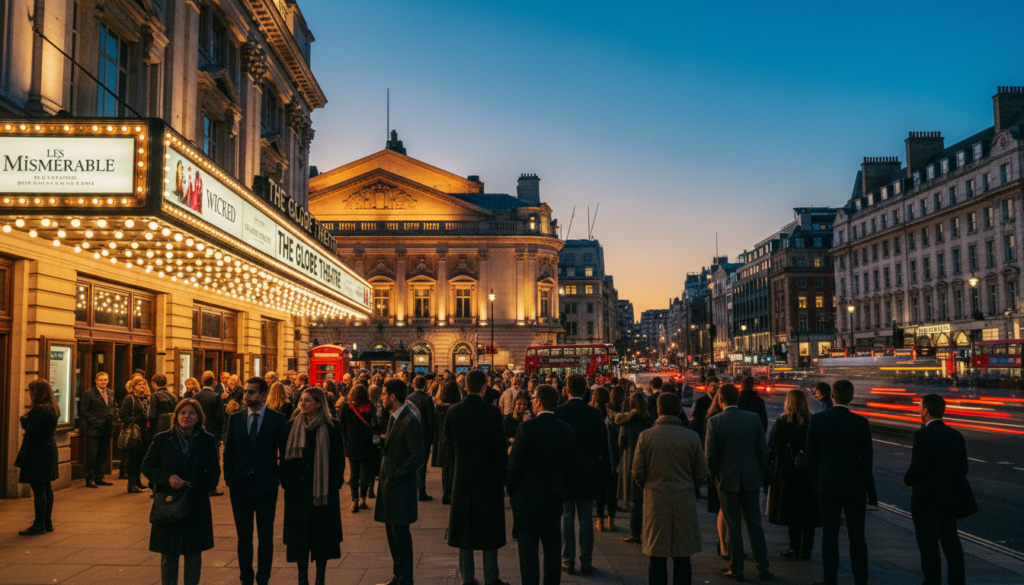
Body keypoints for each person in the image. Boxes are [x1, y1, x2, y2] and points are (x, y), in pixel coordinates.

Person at [142, 399, 221, 585]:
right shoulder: (162, 438)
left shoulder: (207, 439)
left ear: (198, 417)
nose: (187, 416)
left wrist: (204, 488)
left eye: (192, 413)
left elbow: (215, 470)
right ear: (176, 415)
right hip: (170, 503)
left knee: (193, 553)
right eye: (183, 412)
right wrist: (167, 478)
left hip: (196, 502)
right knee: (169, 554)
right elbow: (146, 466)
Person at [806, 379, 877, 585]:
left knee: (829, 535)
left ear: (833, 396)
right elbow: (867, 460)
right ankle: (860, 579)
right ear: (852, 397)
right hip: (854, 485)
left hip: (826, 483)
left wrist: (818, 476)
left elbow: (811, 455)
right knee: (857, 536)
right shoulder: (860, 422)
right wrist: (868, 489)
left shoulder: (818, 420)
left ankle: (830, 579)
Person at [633, 393, 708, 585]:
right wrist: (690, 486)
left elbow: (637, 472)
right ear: (679, 411)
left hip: (655, 500)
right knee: (683, 557)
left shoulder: (646, 436)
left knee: (656, 556)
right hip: (683, 500)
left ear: (657, 410)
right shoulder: (692, 437)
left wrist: (648, 486)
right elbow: (701, 472)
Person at [443, 370, 510, 585]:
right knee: (489, 530)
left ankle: (468, 579)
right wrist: (503, 479)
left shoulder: (453, 412)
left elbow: (448, 446)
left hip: (462, 479)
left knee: (465, 531)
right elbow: (500, 450)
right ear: (484, 387)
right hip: (488, 481)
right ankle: (492, 578)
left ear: (465, 386)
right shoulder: (492, 413)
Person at [507, 385, 576, 585]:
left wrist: (512, 490)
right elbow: (569, 469)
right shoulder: (567, 430)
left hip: (527, 500)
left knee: (528, 552)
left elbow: (515, 465)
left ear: (538, 402)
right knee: (552, 550)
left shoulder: (526, 428)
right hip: (553, 499)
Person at [223, 377, 288, 585]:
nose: (247, 396)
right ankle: (246, 578)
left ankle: (263, 578)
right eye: (246, 392)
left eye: (251, 392)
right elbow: (229, 450)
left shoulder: (276, 419)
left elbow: (285, 452)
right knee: (244, 537)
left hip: (265, 484)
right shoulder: (236, 418)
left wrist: (279, 477)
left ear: (263, 395)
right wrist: (229, 477)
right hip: (240, 484)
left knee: (265, 536)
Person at [705, 383, 773, 582]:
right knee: (755, 524)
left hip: (727, 479)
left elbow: (710, 456)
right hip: (751, 478)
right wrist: (759, 474)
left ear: (720, 399)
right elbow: (763, 451)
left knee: (733, 524)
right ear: (738, 399)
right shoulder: (753, 419)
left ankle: (737, 568)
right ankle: (763, 567)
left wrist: (715, 477)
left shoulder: (715, 422)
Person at [904, 394, 972, 585]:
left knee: (928, 543)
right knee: (951, 542)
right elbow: (963, 468)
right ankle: (957, 581)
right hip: (949, 496)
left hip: (925, 498)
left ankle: (932, 580)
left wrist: (908, 480)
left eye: (920, 407)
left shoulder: (923, 435)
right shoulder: (955, 434)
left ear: (925, 410)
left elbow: (919, 465)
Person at [281, 387, 345, 585]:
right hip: (297, 493)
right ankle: (302, 579)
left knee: (321, 540)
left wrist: (333, 485)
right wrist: (286, 483)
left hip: (322, 492)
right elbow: (285, 459)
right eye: (301, 400)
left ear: (319, 403)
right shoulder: (292, 425)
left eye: (307, 400)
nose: (302, 404)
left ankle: (320, 579)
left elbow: (338, 460)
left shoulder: (332, 426)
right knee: (299, 541)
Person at [554, 373, 608, 575]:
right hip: (587, 472)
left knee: (567, 517)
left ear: (566, 389)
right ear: (585, 390)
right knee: (586, 518)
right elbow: (601, 445)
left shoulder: (559, 412)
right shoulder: (594, 414)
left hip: (566, 473)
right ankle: (586, 561)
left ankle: (567, 560)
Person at [375, 379, 425, 585]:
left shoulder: (409, 420)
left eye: (384, 394)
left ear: (393, 397)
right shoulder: (394, 417)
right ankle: (398, 577)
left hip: (400, 488)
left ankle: (405, 579)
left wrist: (396, 475)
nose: (381, 397)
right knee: (393, 538)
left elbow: (417, 456)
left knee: (401, 538)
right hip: (390, 487)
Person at [766, 389, 818, 560]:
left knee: (792, 511)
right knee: (808, 512)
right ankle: (807, 549)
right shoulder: (814, 422)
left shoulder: (782, 422)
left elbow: (773, 447)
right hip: (810, 473)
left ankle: (794, 547)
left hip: (788, 473)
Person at [16, 379, 60, 535]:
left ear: (37, 392)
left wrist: (24, 420)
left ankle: (39, 523)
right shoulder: (52, 407)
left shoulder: (40, 409)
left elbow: (32, 431)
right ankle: (47, 522)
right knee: (46, 487)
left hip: (38, 452)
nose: (30, 394)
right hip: (48, 449)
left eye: (31, 391)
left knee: (39, 488)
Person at [616, 392, 653, 544]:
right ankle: (648, 531)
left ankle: (634, 532)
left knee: (635, 500)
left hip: (632, 460)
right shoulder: (651, 420)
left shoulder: (627, 421)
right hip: (649, 460)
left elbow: (621, 444)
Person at [340, 384, 377, 512]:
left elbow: (342, 427)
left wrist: (346, 440)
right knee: (365, 472)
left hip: (352, 444)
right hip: (367, 444)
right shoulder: (370, 406)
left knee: (354, 473)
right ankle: (363, 499)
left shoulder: (346, 407)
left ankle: (354, 500)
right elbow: (375, 424)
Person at [80, 371, 115, 488]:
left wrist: (114, 417)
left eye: (105, 380)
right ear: (96, 381)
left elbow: (114, 406)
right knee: (92, 454)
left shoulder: (110, 392)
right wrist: (96, 421)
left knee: (102, 454)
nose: (104, 382)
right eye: (101, 380)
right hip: (94, 429)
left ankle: (99, 478)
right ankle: (90, 479)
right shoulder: (89, 393)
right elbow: (84, 411)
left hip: (107, 428)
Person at [193, 372, 225, 496]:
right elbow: (219, 416)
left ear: (202, 382)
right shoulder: (215, 396)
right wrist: (221, 431)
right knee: (213, 459)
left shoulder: (195, 396)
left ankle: (199, 483)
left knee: (199, 457)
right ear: (214, 382)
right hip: (212, 431)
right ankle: (212, 487)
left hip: (198, 430)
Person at [406, 375, 435, 502]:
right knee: (422, 463)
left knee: (412, 462)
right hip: (425, 434)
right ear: (425, 385)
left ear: (413, 385)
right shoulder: (428, 399)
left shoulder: (408, 398)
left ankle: (412, 489)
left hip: (411, 434)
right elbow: (431, 419)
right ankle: (421, 491)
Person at [121, 375, 151, 493]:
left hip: (144, 432)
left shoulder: (146, 398)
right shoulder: (130, 398)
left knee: (140, 458)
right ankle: (131, 484)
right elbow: (124, 415)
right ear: (134, 386)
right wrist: (137, 419)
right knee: (133, 458)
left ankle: (138, 481)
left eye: (144, 384)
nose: (142, 386)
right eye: (139, 384)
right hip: (134, 432)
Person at [433, 380, 461, 504]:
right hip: (455, 441)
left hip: (442, 441)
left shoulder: (439, 408)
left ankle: (446, 493)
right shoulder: (457, 408)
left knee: (445, 469)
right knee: (454, 469)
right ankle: (452, 492)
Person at [689, 376, 719, 446]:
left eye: (717, 386)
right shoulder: (701, 402)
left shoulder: (720, 401)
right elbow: (697, 421)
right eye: (713, 386)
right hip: (704, 435)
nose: (715, 388)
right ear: (707, 387)